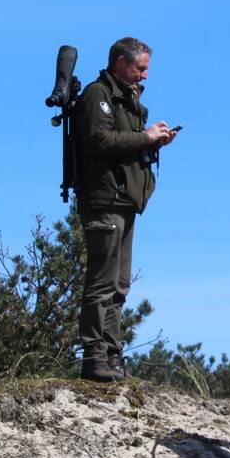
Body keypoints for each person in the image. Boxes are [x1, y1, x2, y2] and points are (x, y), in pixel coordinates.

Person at [74, 37, 177, 382]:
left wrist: (153, 141)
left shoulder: (126, 100)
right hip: (104, 202)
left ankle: (112, 356)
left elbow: (124, 144)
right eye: (140, 68)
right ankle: (94, 357)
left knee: (119, 285)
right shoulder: (98, 96)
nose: (144, 76)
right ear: (120, 62)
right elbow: (99, 140)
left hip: (125, 202)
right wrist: (145, 137)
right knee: (103, 283)